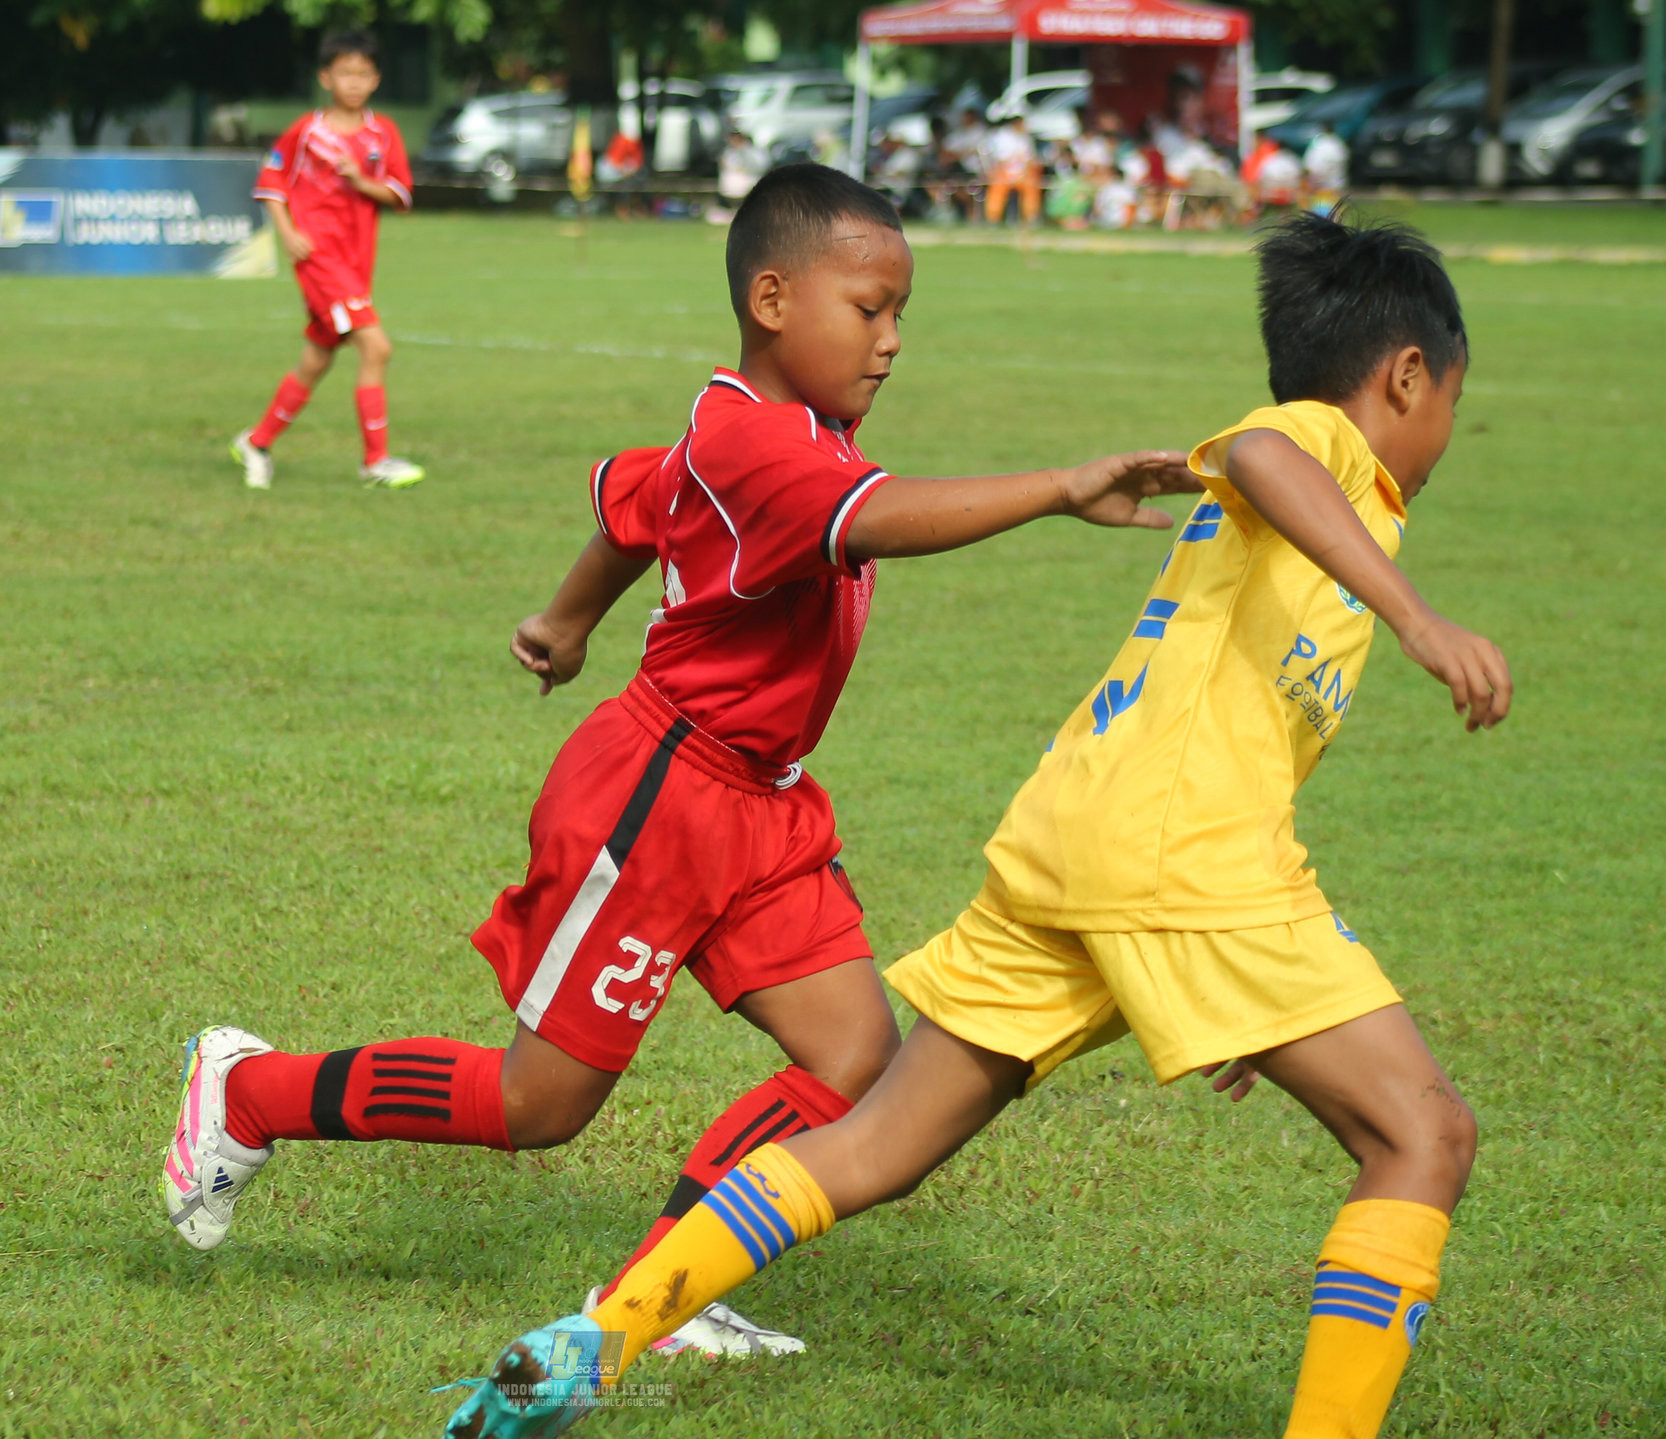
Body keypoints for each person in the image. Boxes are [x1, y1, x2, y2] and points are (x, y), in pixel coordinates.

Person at [447, 210, 1509, 1439]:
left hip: (1091, 851)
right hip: (1173, 859)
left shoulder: (1340, 504)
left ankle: (601, 1336)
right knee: (1422, 1132)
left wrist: (1227, 996)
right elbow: (1267, 452)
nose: (1442, 445)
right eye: (1448, 407)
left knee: (878, 1142)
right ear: (1405, 376)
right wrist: (1422, 621)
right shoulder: (1318, 442)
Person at [161, 164, 1199, 1358]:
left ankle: (667, 1284)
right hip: (656, 797)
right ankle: (247, 1091)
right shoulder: (771, 454)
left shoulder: (762, 431)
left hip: (760, 802)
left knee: (856, 1054)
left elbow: (630, 498)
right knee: (537, 1106)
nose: (891, 340)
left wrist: (565, 619)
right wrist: (1061, 486)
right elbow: (875, 518)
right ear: (771, 298)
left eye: (900, 313)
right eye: (868, 308)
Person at [233, 29, 424, 492]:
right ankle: (374, 461)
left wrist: (361, 179)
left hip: (355, 262)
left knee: (316, 361)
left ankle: (257, 443)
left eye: (363, 73)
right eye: (345, 73)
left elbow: (399, 194)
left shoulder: (383, 134)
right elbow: (272, 182)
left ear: (375, 79)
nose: (354, 82)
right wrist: (289, 233)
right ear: (326, 77)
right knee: (377, 348)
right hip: (319, 259)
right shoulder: (307, 131)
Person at [983, 114, 1042, 227]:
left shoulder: (1026, 138)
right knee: (998, 186)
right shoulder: (1002, 136)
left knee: (1031, 185)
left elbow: (1030, 158)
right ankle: (993, 218)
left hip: (1023, 173)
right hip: (1004, 172)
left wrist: (1025, 171)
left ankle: (1031, 217)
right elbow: (1000, 159)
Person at [1305, 122, 1350, 213]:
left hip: (1321, 184)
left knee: (1322, 209)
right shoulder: (1339, 144)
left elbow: (1310, 164)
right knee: (1336, 210)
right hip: (1337, 183)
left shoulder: (1318, 144)